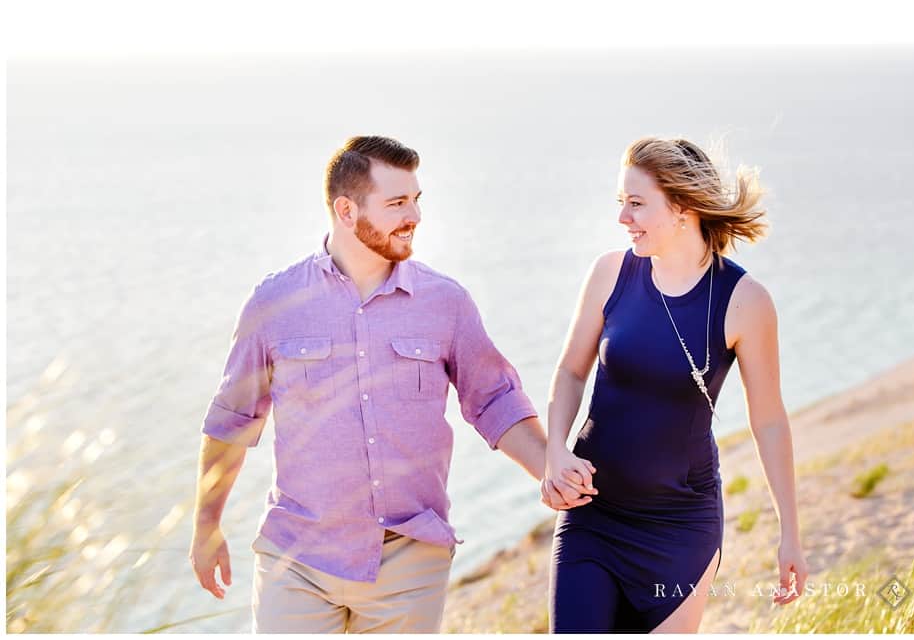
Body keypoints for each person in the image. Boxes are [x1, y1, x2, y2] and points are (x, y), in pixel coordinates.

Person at [189, 136, 593, 633]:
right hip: (296, 560)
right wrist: (207, 526)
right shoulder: (275, 303)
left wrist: (551, 469)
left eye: (417, 200)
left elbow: (494, 401)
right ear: (346, 210)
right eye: (397, 203)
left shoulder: (446, 303)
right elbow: (232, 418)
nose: (415, 216)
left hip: (409, 560)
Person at [541, 137, 809, 633]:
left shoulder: (745, 301)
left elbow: (769, 420)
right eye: (621, 203)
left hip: (681, 530)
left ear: (682, 207)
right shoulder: (610, 272)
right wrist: (555, 452)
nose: (623, 218)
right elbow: (571, 371)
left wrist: (789, 533)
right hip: (593, 516)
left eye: (637, 204)